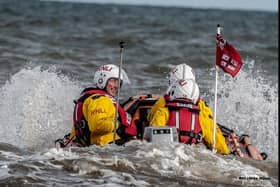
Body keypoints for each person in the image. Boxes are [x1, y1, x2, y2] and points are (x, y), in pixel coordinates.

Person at [147, 63, 230, 154]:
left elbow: (151, 124)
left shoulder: (163, 107)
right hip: (192, 151)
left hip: (169, 152)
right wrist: (225, 151)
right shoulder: (201, 111)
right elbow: (217, 141)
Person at [58, 64, 137, 147]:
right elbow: (98, 125)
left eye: (118, 83)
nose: (116, 86)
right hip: (105, 146)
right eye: (113, 81)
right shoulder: (100, 99)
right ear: (102, 80)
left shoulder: (96, 98)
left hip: (99, 146)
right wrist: (117, 124)